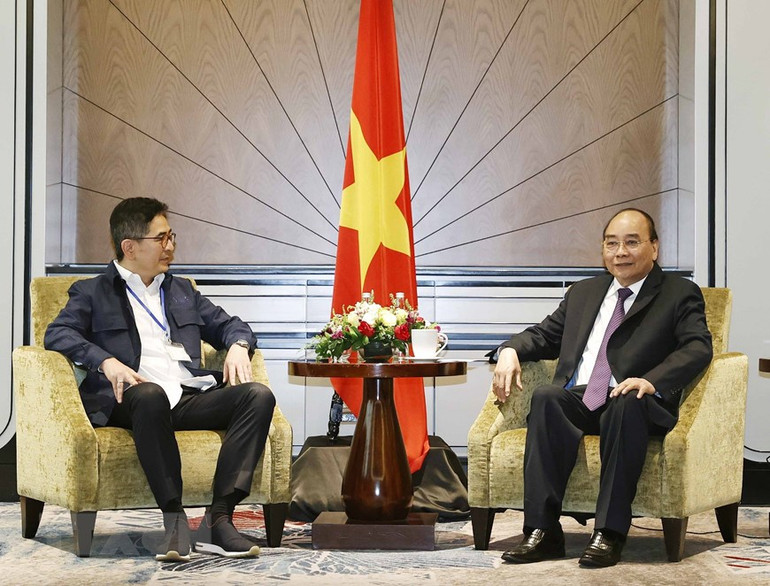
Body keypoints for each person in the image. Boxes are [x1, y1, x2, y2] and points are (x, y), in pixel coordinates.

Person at [45, 197, 276, 562]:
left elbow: (231, 325)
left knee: (258, 396)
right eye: (161, 238)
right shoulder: (92, 292)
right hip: (130, 398)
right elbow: (57, 334)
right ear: (129, 247)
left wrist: (238, 345)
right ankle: (174, 520)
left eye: (172, 237)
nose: (170, 246)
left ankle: (219, 519)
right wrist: (105, 361)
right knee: (149, 394)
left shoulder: (181, 290)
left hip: (184, 395)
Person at [491, 208, 713, 568]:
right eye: (612, 244)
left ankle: (609, 533)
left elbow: (698, 347)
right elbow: (544, 335)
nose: (620, 252)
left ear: (654, 247)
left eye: (632, 242)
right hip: (585, 399)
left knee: (626, 399)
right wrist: (509, 350)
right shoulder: (584, 292)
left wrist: (651, 380)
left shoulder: (678, 293)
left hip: (636, 402)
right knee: (546, 397)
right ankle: (543, 531)